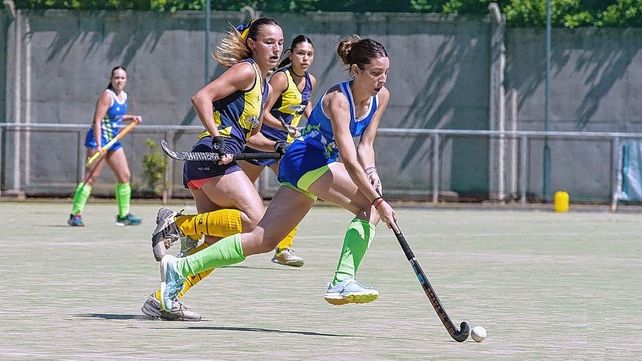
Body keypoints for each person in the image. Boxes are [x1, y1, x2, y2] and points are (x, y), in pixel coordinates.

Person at [154, 35, 398, 315]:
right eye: (376, 73)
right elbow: (348, 157)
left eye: (386, 73)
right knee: (368, 206)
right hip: (306, 159)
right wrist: (378, 200)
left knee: (263, 239)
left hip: (315, 165)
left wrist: (372, 171)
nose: (382, 80)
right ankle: (342, 280)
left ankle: (182, 267)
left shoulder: (382, 97)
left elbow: (366, 145)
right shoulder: (338, 99)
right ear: (356, 71)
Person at [141, 18, 289, 321]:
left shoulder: (261, 85)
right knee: (255, 222)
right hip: (211, 155)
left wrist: (278, 147)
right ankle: (178, 224)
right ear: (252, 44)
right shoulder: (247, 70)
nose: (276, 48)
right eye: (269, 42)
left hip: (214, 160)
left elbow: (252, 135)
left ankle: (163, 299)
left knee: (215, 246)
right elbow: (202, 97)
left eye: (280, 42)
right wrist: (220, 139)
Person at [240, 34, 317, 267]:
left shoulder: (311, 80)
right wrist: (283, 126)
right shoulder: (281, 78)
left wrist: (316, 126)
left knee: (299, 190)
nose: (305, 58)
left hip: (285, 148)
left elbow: (307, 109)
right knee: (235, 201)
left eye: (309, 54)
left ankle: (283, 248)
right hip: (261, 143)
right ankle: (192, 229)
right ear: (291, 55)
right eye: (301, 53)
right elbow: (262, 113)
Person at [67, 66, 143, 227]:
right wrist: (100, 144)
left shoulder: (123, 96)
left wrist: (131, 117)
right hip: (98, 140)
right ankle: (75, 214)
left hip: (113, 140)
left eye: (122, 78)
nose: (119, 81)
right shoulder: (106, 96)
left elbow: (115, 116)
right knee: (91, 177)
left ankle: (123, 215)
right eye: (116, 78)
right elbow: (98, 120)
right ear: (111, 79)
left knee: (125, 176)